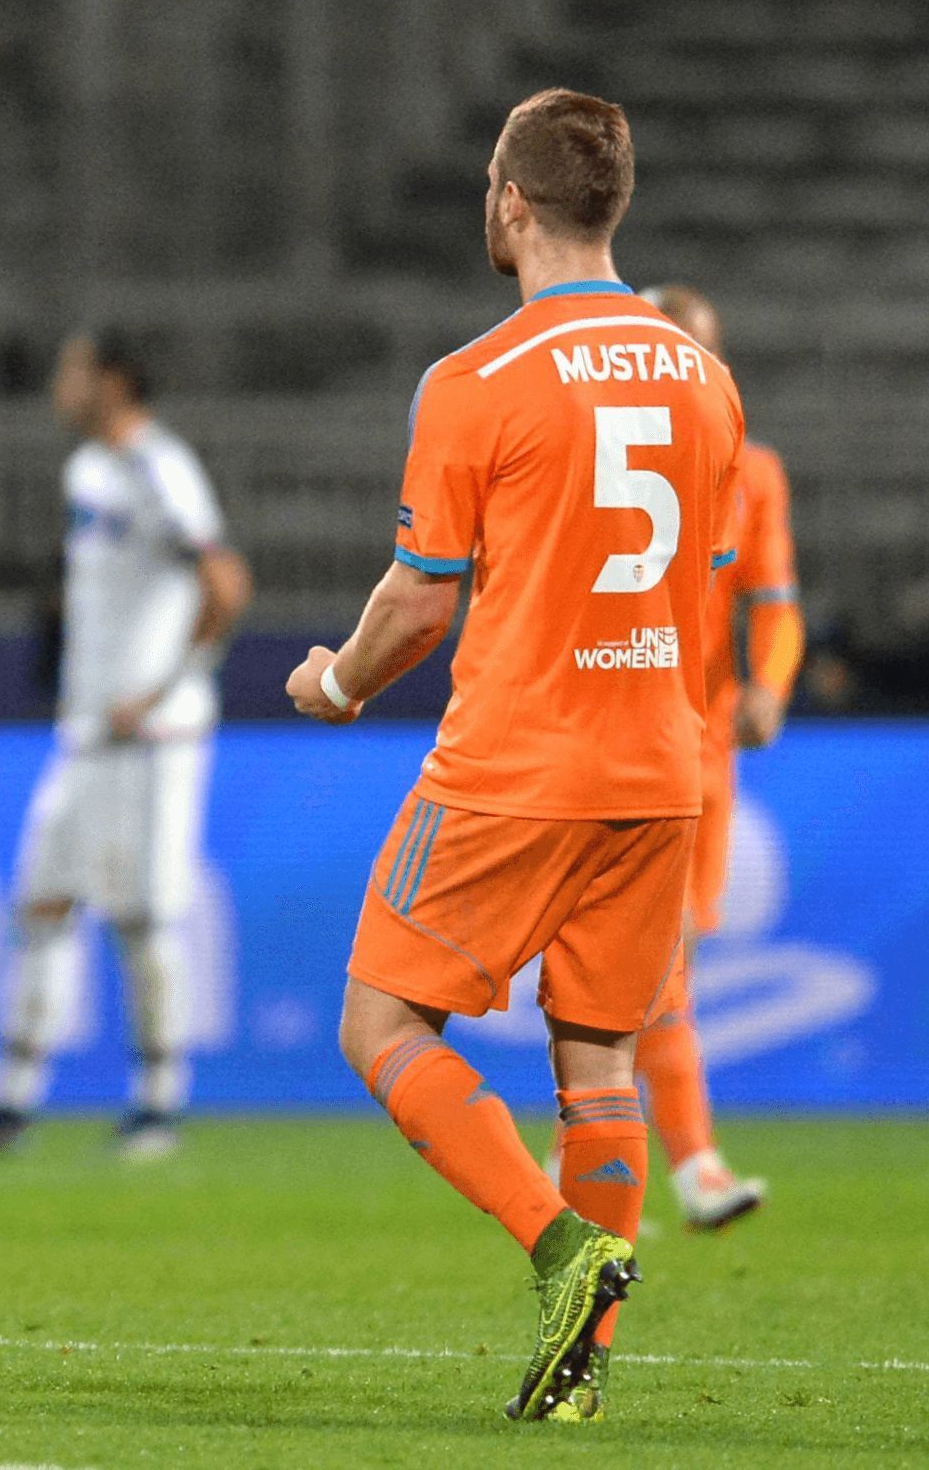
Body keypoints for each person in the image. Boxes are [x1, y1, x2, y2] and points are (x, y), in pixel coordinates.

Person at [285, 88, 743, 1424]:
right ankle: (581, 1372)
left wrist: (335, 681)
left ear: (509, 202)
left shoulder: (475, 380)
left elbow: (419, 603)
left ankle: (560, 1247)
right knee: (599, 1065)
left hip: (514, 765)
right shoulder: (704, 379)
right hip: (659, 768)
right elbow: (699, 582)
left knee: (379, 1022)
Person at [0, 330, 253, 1159]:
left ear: (112, 381)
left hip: (153, 735)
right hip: (87, 731)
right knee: (42, 900)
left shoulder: (160, 465)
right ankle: (10, 1102)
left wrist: (163, 688)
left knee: (143, 915)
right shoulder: (88, 469)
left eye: (73, 371)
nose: (60, 386)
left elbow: (226, 581)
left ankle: (158, 1104)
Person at [620, 282, 801, 1230]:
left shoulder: (751, 471)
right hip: (601, 731)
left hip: (697, 742)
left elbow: (774, 600)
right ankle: (687, 1165)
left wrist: (769, 683)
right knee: (641, 956)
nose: (698, 368)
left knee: (661, 952)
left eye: (708, 351)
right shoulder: (596, 454)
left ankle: (608, 1161)